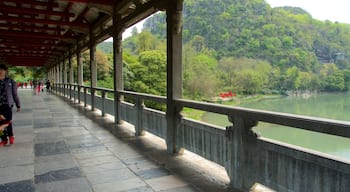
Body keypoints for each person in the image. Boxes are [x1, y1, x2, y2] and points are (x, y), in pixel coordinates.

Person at [0, 64, 21, 147]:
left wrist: (18, 105)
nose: (0, 72)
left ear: (5, 71)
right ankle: (4, 139)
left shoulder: (11, 81)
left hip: (7, 105)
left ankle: (11, 135)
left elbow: (15, 94)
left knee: (7, 121)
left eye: (2, 70)